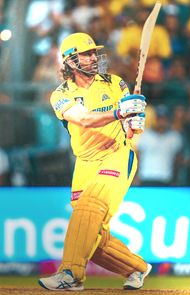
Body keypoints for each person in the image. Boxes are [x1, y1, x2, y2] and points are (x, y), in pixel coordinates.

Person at [38, 32, 151, 291]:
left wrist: (134, 122)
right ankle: (137, 268)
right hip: (85, 164)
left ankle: (71, 274)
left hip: (116, 155)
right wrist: (119, 112)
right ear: (69, 61)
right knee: (91, 235)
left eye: (93, 53)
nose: (93, 58)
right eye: (86, 54)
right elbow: (85, 119)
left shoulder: (114, 83)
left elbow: (129, 128)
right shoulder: (60, 94)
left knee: (88, 209)